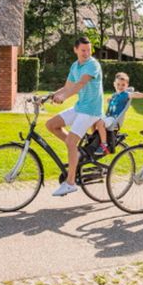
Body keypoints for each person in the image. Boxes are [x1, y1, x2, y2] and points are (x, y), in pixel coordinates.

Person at [46, 37, 103, 197]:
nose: (86, 53)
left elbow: (80, 85)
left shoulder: (93, 65)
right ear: (76, 50)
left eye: (89, 50)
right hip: (80, 107)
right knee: (51, 125)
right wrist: (49, 96)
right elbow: (68, 86)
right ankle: (76, 154)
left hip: (91, 110)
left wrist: (64, 97)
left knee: (71, 141)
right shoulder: (75, 66)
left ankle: (70, 183)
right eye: (83, 50)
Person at [93, 72, 143, 156]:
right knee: (93, 118)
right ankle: (95, 138)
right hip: (108, 117)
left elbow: (135, 94)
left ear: (127, 86)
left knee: (100, 123)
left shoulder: (126, 94)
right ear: (114, 84)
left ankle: (104, 145)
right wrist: (109, 99)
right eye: (118, 84)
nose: (120, 87)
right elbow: (111, 100)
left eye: (123, 85)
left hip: (114, 120)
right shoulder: (115, 95)